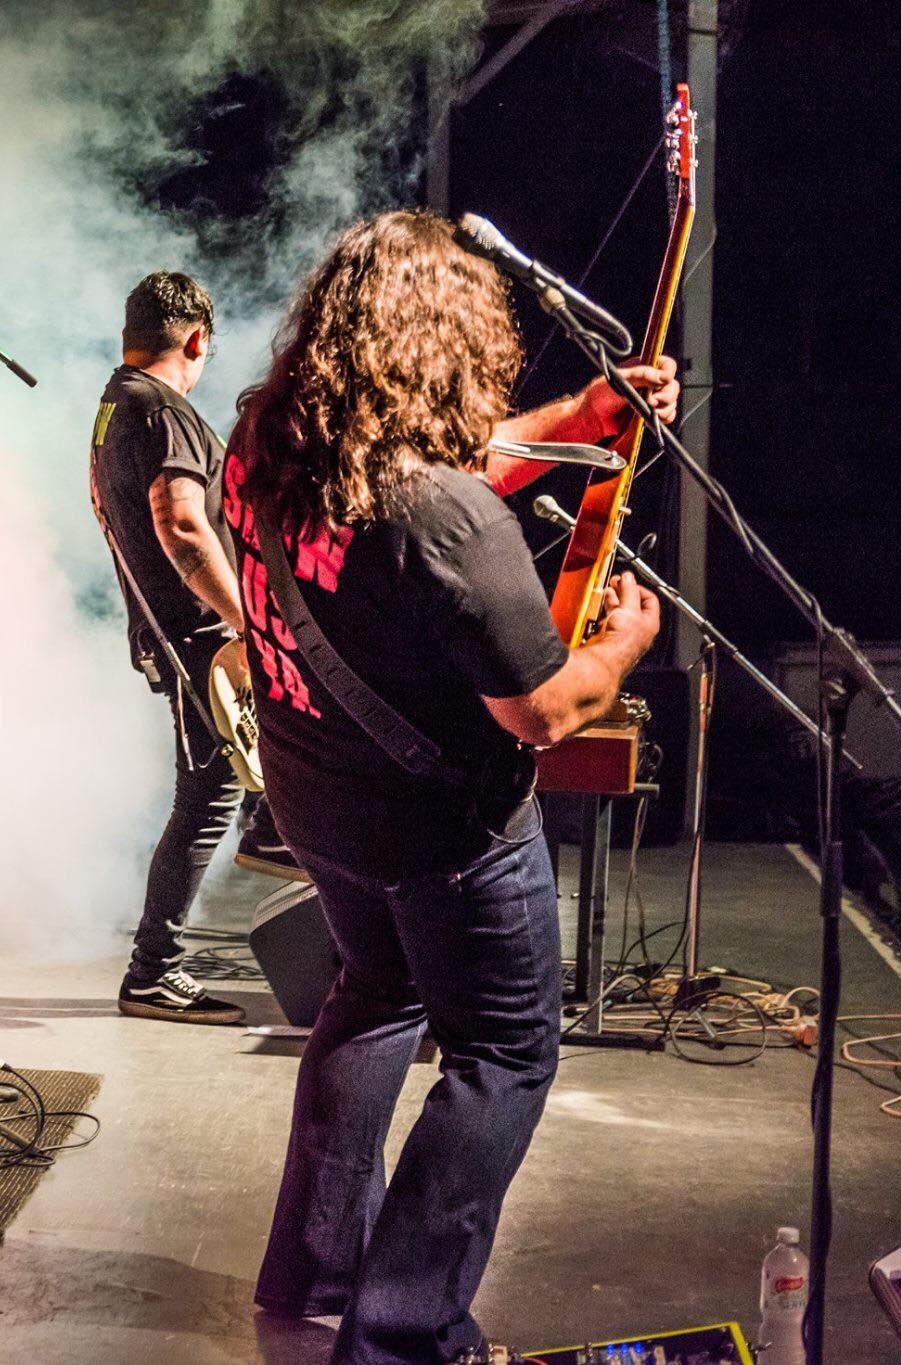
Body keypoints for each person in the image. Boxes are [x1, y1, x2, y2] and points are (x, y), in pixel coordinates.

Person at [224, 211, 669, 1365]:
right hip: (443, 833)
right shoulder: (449, 516)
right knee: (504, 1054)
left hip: (316, 797)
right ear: (448, 346)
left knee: (373, 993)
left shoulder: (261, 444)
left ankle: (312, 1269)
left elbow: (417, 475)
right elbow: (543, 712)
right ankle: (401, 1331)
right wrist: (623, 644)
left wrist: (581, 415)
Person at [89, 270, 301, 1026]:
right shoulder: (162, 409)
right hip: (203, 644)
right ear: (198, 339)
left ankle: (274, 831)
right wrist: (249, 622)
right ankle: (153, 973)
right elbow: (180, 525)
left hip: (186, 638)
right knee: (204, 805)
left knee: (218, 793)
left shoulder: (115, 405)